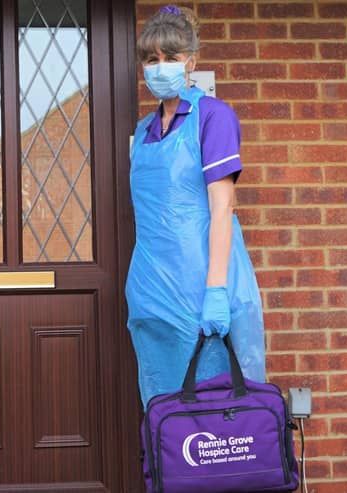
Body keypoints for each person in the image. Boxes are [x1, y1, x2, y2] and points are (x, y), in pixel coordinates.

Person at [125, 5, 265, 409]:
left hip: (201, 285)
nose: (160, 67)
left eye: (171, 57)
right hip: (152, 292)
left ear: (191, 61)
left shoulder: (213, 117)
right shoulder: (144, 131)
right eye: (151, 60)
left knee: (218, 412)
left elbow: (222, 209)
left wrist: (216, 291)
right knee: (165, 412)